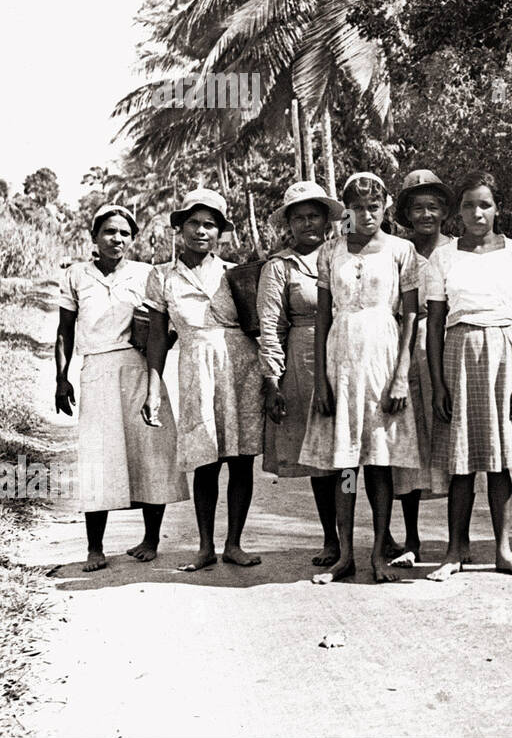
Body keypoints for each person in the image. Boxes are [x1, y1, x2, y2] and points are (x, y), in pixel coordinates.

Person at [302, 172, 422, 585]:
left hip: (383, 357)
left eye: (374, 206)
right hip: (342, 358)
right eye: (357, 207)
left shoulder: (401, 251)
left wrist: (402, 375)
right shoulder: (330, 253)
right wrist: (321, 378)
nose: (366, 215)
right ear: (347, 210)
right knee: (346, 461)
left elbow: (410, 316)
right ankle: (346, 554)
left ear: (386, 205)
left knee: (379, 461)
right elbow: (321, 318)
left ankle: (378, 554)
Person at [55, 204, 187, 571]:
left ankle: (150, 539)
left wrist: (157, 358)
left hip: (138, 368)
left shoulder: (147, 274)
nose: (118, 239)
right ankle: (95, 548)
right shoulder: (76, 275)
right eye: (110, 232)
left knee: (151, 450)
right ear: (94, 236)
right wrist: (61, 378)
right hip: (96, 369)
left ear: (133, 238)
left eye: (125, 233)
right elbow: (65, 331)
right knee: (98, 458)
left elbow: (166, 326)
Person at [426, 171, 512, 580]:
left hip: (504, 355)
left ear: (498, 208)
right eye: (470, 204)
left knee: (499, 461)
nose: (478, 212)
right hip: (458, 354)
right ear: (458, 210)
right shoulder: (444, 257)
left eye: (485, 204)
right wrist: (438, 382)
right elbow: (434, 325)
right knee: (461, 462)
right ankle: (456, 550)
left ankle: (504, 550)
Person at [142, 188, 263, 572]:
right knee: (205, 459)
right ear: (180, 228)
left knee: (241, 460)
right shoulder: (161, 276)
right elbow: (160, 336)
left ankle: (234, 544)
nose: (200, 231)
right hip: (195, 368)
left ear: (220, 232)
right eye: (193, 222)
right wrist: (152, 388)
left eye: (209, 224)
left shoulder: (235, 274)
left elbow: (259, 327)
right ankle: (205, 546)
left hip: (241, 366)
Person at [257, 180, 345, 568]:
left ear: (327, 219)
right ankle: (332, 537)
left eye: (314, 215)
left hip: (351, 353)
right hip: (305, 359)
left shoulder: (346, 255)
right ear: (289, 225)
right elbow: (271, 325)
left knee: (354, 455)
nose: (308, 223)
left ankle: (378, 533)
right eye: (299, 218)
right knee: (322, 459)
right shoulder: (279, 267)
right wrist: (272, 381)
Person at [389, 169, 455, 567]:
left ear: (444, 210)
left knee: (452, 440)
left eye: (432, 206)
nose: (425, 214)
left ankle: (455, 537)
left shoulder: (459, 249)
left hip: (448, 343)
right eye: (417, 207)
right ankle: (410, 538)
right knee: (407, 441)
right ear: (406, 214)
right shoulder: (399, 252)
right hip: (407, 344)